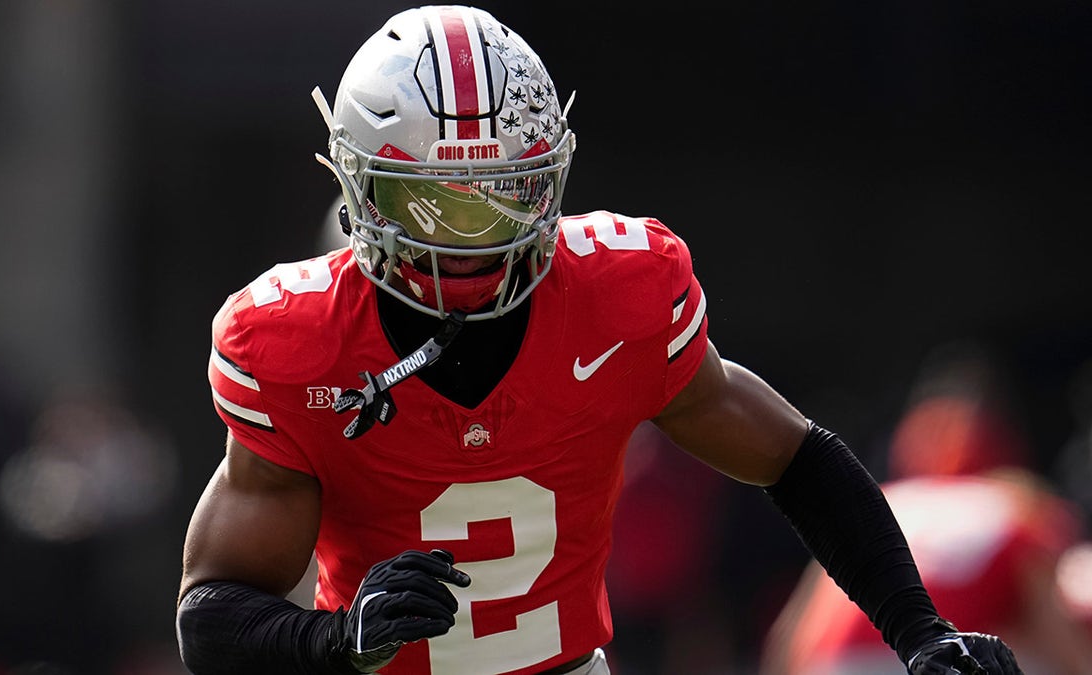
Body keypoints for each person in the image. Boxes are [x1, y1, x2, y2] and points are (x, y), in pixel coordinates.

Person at [175, 6, 1023, 674]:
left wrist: (920, 630)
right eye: (430, 203)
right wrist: (334, 640)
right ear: (359, 189)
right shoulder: (302, 343)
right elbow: (210, 611)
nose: (467, 241)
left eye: (500, 195)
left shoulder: (618, 295)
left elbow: (795, 459)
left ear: (550, 178)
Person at [761, 343, 1092, 674]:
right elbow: (1061, 638)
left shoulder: (878, 503)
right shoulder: (1017, 508)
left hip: (834, 663)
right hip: (927, 658)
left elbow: (790, 634)